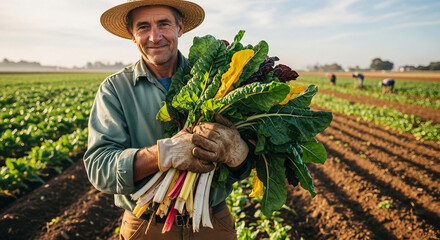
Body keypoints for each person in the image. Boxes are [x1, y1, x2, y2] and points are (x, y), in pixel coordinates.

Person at [84, 1, 252, 239]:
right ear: (132, 34)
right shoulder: (115, 89)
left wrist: (238, 153)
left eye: (163, 24)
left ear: (180, 27)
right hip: (146, 226)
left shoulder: (219, 79)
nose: (154, 36)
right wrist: (163, 154)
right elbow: (99, 168)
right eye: (143, 27)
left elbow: (246, 168)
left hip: (213, 224)